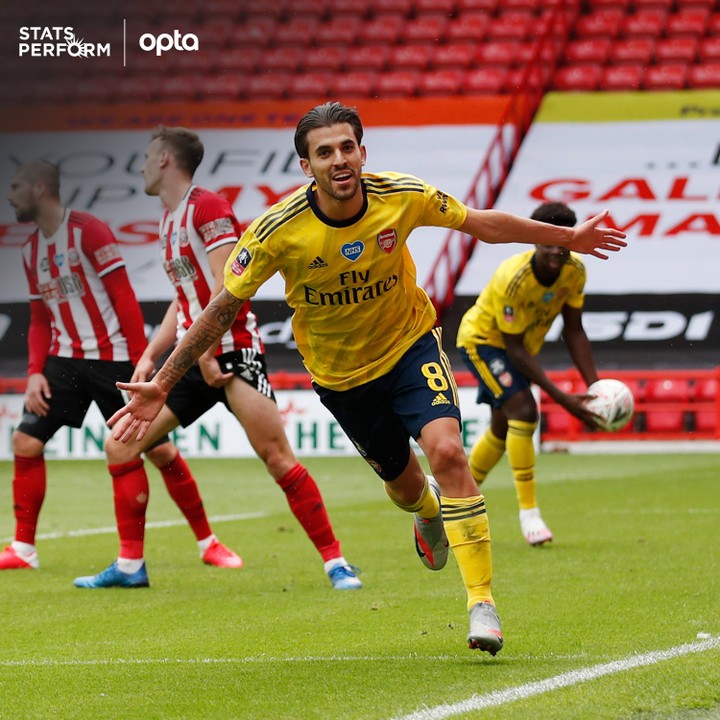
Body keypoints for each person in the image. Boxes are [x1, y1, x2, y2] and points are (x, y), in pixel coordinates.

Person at [107, 102, 626, 654]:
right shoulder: (275, 231)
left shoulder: (400, 195)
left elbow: (482, 223)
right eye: (324, 152)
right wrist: (163, 381)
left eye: (347, 147)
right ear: (306, 166)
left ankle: (482, 602)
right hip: (342, 377)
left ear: (362, 152)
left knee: (449, 453)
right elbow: (220, 309)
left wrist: (566, 239)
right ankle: (426, 511)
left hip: (410, 347)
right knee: (405, 490)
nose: (339, 160)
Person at [73, 127, 362, 591]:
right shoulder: (170, 220)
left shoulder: (208, 208)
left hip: (232, 355)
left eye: (148, 157)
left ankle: (336, 563)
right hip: (194, 360)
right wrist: (151, 355)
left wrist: (207, 353)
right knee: (121, 444)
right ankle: (130, 566)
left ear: (166, 159)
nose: (142, 166)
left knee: (277, 459)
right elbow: (184, 299)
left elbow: (226, 287)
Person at [2, 160, 242, 577]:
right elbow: (40, 319)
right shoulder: (30, 250)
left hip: (113, 361)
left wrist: (139, 367)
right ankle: (24, 547)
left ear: (40, 188)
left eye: (16, 185)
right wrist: (35, 371)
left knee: (159, 449)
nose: (10, 194)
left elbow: (125, 300)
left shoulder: (88, 231)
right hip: (64, 363)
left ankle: (208, 542)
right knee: (25, 442)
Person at [456, 202, 603, 547]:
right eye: (547, 241)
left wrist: (596, 387)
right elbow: (514, 348)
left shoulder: (575, 271)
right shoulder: (514, 278)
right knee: (524, 410)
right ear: (535, 240)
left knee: (502, 425)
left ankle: (457, 500)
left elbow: (574, 331)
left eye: (562, 241)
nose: (555, 250)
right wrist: (562, 398)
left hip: (518, 349)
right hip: (483, 343)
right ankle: (529, 515)